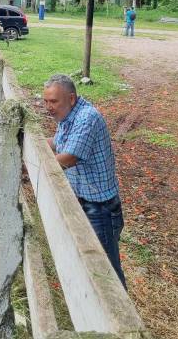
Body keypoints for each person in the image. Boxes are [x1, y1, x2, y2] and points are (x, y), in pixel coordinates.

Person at [43, 74, 126, 287]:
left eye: (53, 101)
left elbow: (68, 158)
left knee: (108, 275)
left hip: (100, 209)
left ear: (71, 99)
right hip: (82, 201)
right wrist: (35, 142)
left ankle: (121, 318)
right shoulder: (68, 116)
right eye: (46, 101)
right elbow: (59, 142)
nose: (48, 107)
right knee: (88, 265)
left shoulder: (87, 118)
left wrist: (34, 163)